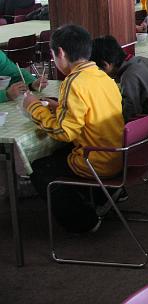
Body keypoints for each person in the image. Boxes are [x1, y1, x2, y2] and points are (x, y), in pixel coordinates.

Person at [25, 25, 124, 233]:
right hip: (116, 154)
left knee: (38, 168)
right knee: (59, 154)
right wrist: (60, 107)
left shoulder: (73, 82)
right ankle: (103, 195)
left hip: (95, 161)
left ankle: (83, 221)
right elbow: (90, 110)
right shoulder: (102, 77)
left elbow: (64, 132)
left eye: (52, 54)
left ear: (60, 52)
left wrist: (33, 107)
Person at [90, 36, 148, 122]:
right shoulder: (141, 60)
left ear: (105, 65)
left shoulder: (128, 76)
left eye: (98, 69)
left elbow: (131, 113)